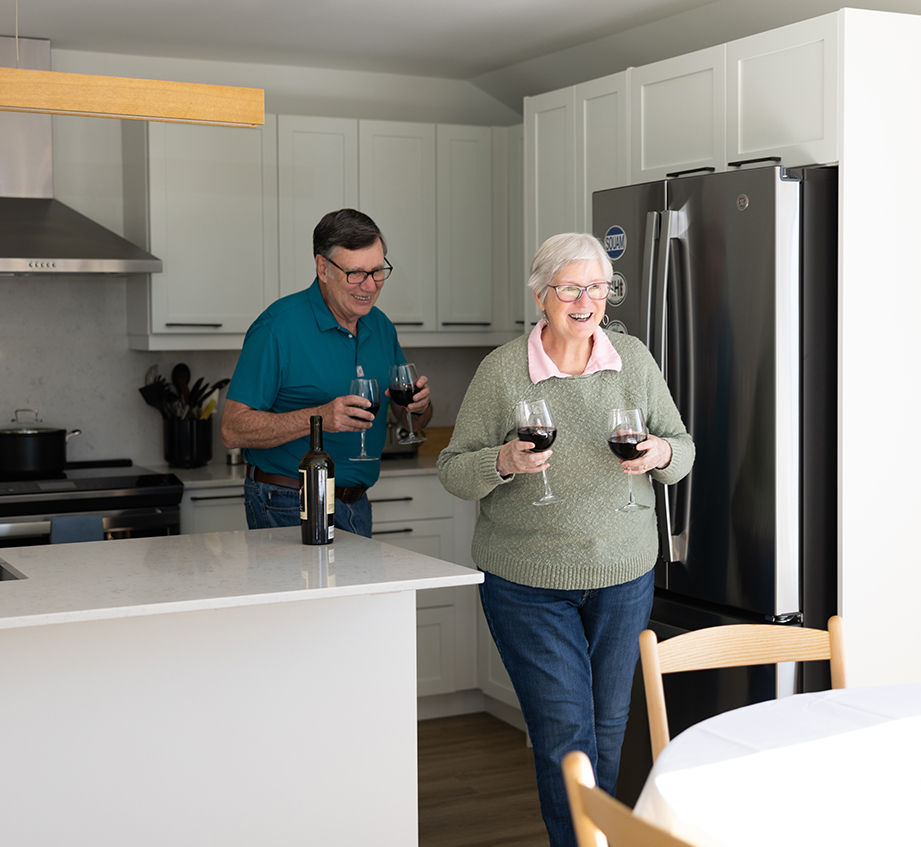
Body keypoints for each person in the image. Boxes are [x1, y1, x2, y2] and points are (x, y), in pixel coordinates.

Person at [436, 232, 694, 847]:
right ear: (541, 293)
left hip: (623, 573)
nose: (587, 301)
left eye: (599, 287)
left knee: (607, 731)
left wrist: (659, 452)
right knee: (564, 737)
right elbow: (452, 469)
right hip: (528, 582)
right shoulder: (502, 371)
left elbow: (680, 450)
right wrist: (501, 461)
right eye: (571, 287)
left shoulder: (633, 358)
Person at [221, 208, 432, 537]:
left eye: (378, 271)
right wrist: (320, 417)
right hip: (289, 502)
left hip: (357, 503)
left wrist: (418, 408)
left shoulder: (381, 326)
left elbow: (410, 421)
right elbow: (232, 430)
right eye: (356, 274)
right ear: (323, 267)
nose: (370, 285)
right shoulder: (277, 328)